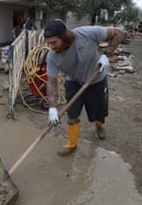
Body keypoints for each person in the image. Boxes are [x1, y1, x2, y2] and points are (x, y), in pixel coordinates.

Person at [44, 19, 123, 156]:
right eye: (49, 43)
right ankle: (72, 143)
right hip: (74, 81)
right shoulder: (52, 57)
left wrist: (107, 55)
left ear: (64, 37)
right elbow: (50, 82)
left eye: (54, 42)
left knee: (99, 111)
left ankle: (99, 125)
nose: (51, 47)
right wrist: (52, 107)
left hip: (96, 78)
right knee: (72, 114)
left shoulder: (86, 34)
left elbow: (118, 34)